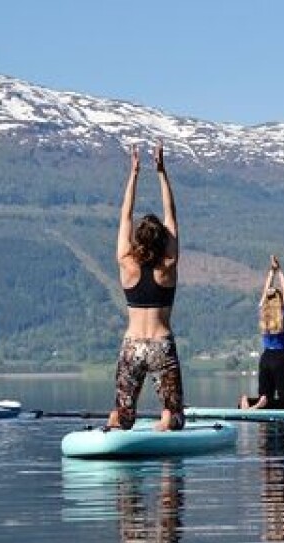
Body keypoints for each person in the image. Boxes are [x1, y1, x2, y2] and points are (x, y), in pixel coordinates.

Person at [106, 142, 184, 432]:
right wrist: (162, 172)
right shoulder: (169, 264)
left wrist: (134, 173)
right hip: (161, 345)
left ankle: (117, 424)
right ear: (162, 241)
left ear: (137, 240)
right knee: (172, 417)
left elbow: (125, 216)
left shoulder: (126, 264)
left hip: (132, 346)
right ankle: (164, 426)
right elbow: (171, 216)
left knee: (122, 415)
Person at [240, 255, 284, 410]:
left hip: (265, 358)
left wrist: (272, 272)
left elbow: (265, 291)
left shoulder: (263, 313)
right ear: (280, 300)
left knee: (264, 398)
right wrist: (280, 271)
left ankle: (249, 402)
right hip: (282, 357)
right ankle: (260, 402)